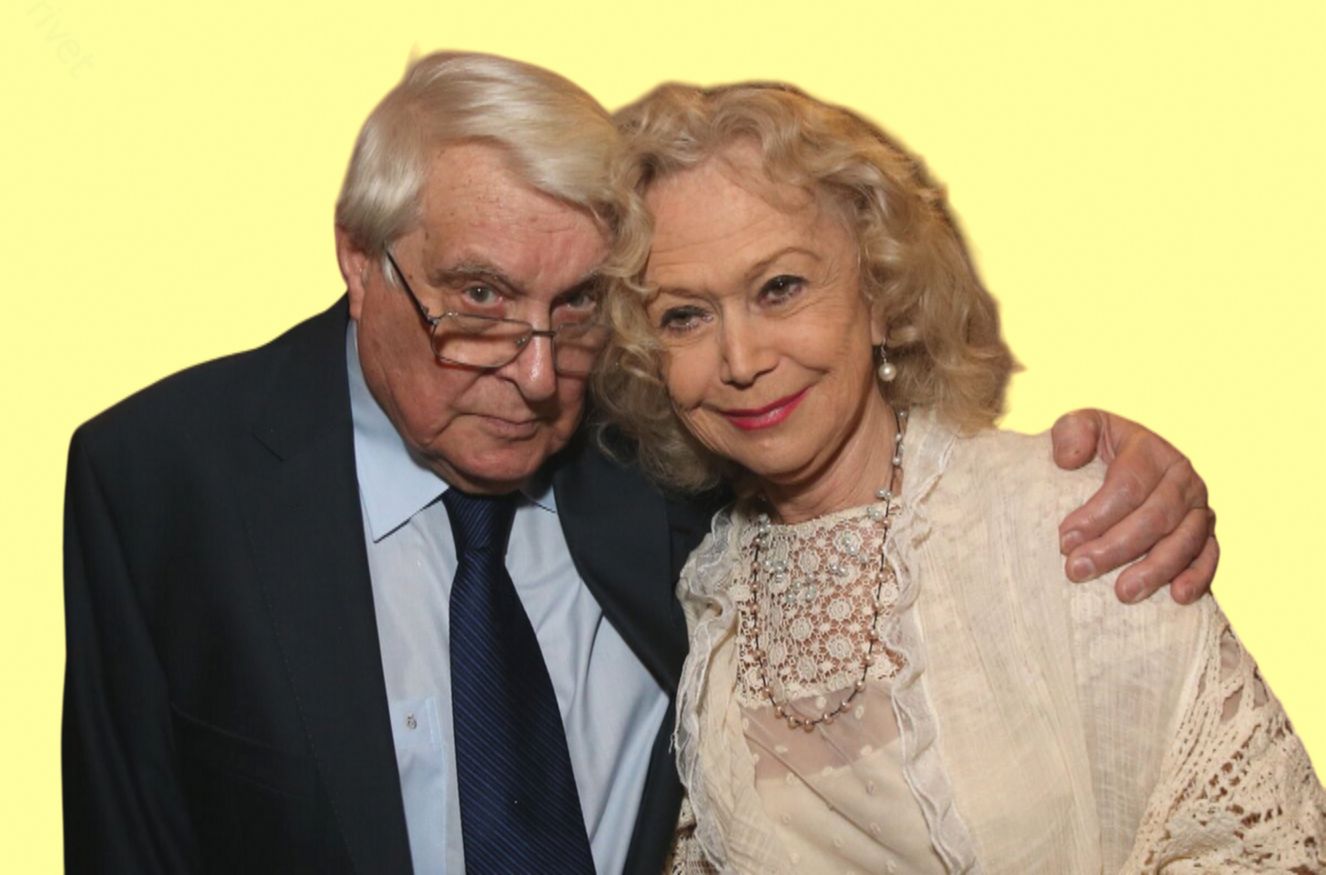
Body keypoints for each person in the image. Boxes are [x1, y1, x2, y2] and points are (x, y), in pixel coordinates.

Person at [63, 52, 1218, 874]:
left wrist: (1114, 470)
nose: (533, 375)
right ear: (361, 261)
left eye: (575, 305)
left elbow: (866, 460)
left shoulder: (657, 444)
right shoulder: (163, 483)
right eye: (478, 298)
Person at [595, 81, 1325, 872]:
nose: (741, 360)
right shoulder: (698, 591)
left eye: (781, 288)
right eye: (685, 316)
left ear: (880, 293)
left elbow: (1262, 843)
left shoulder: (1068, 518)